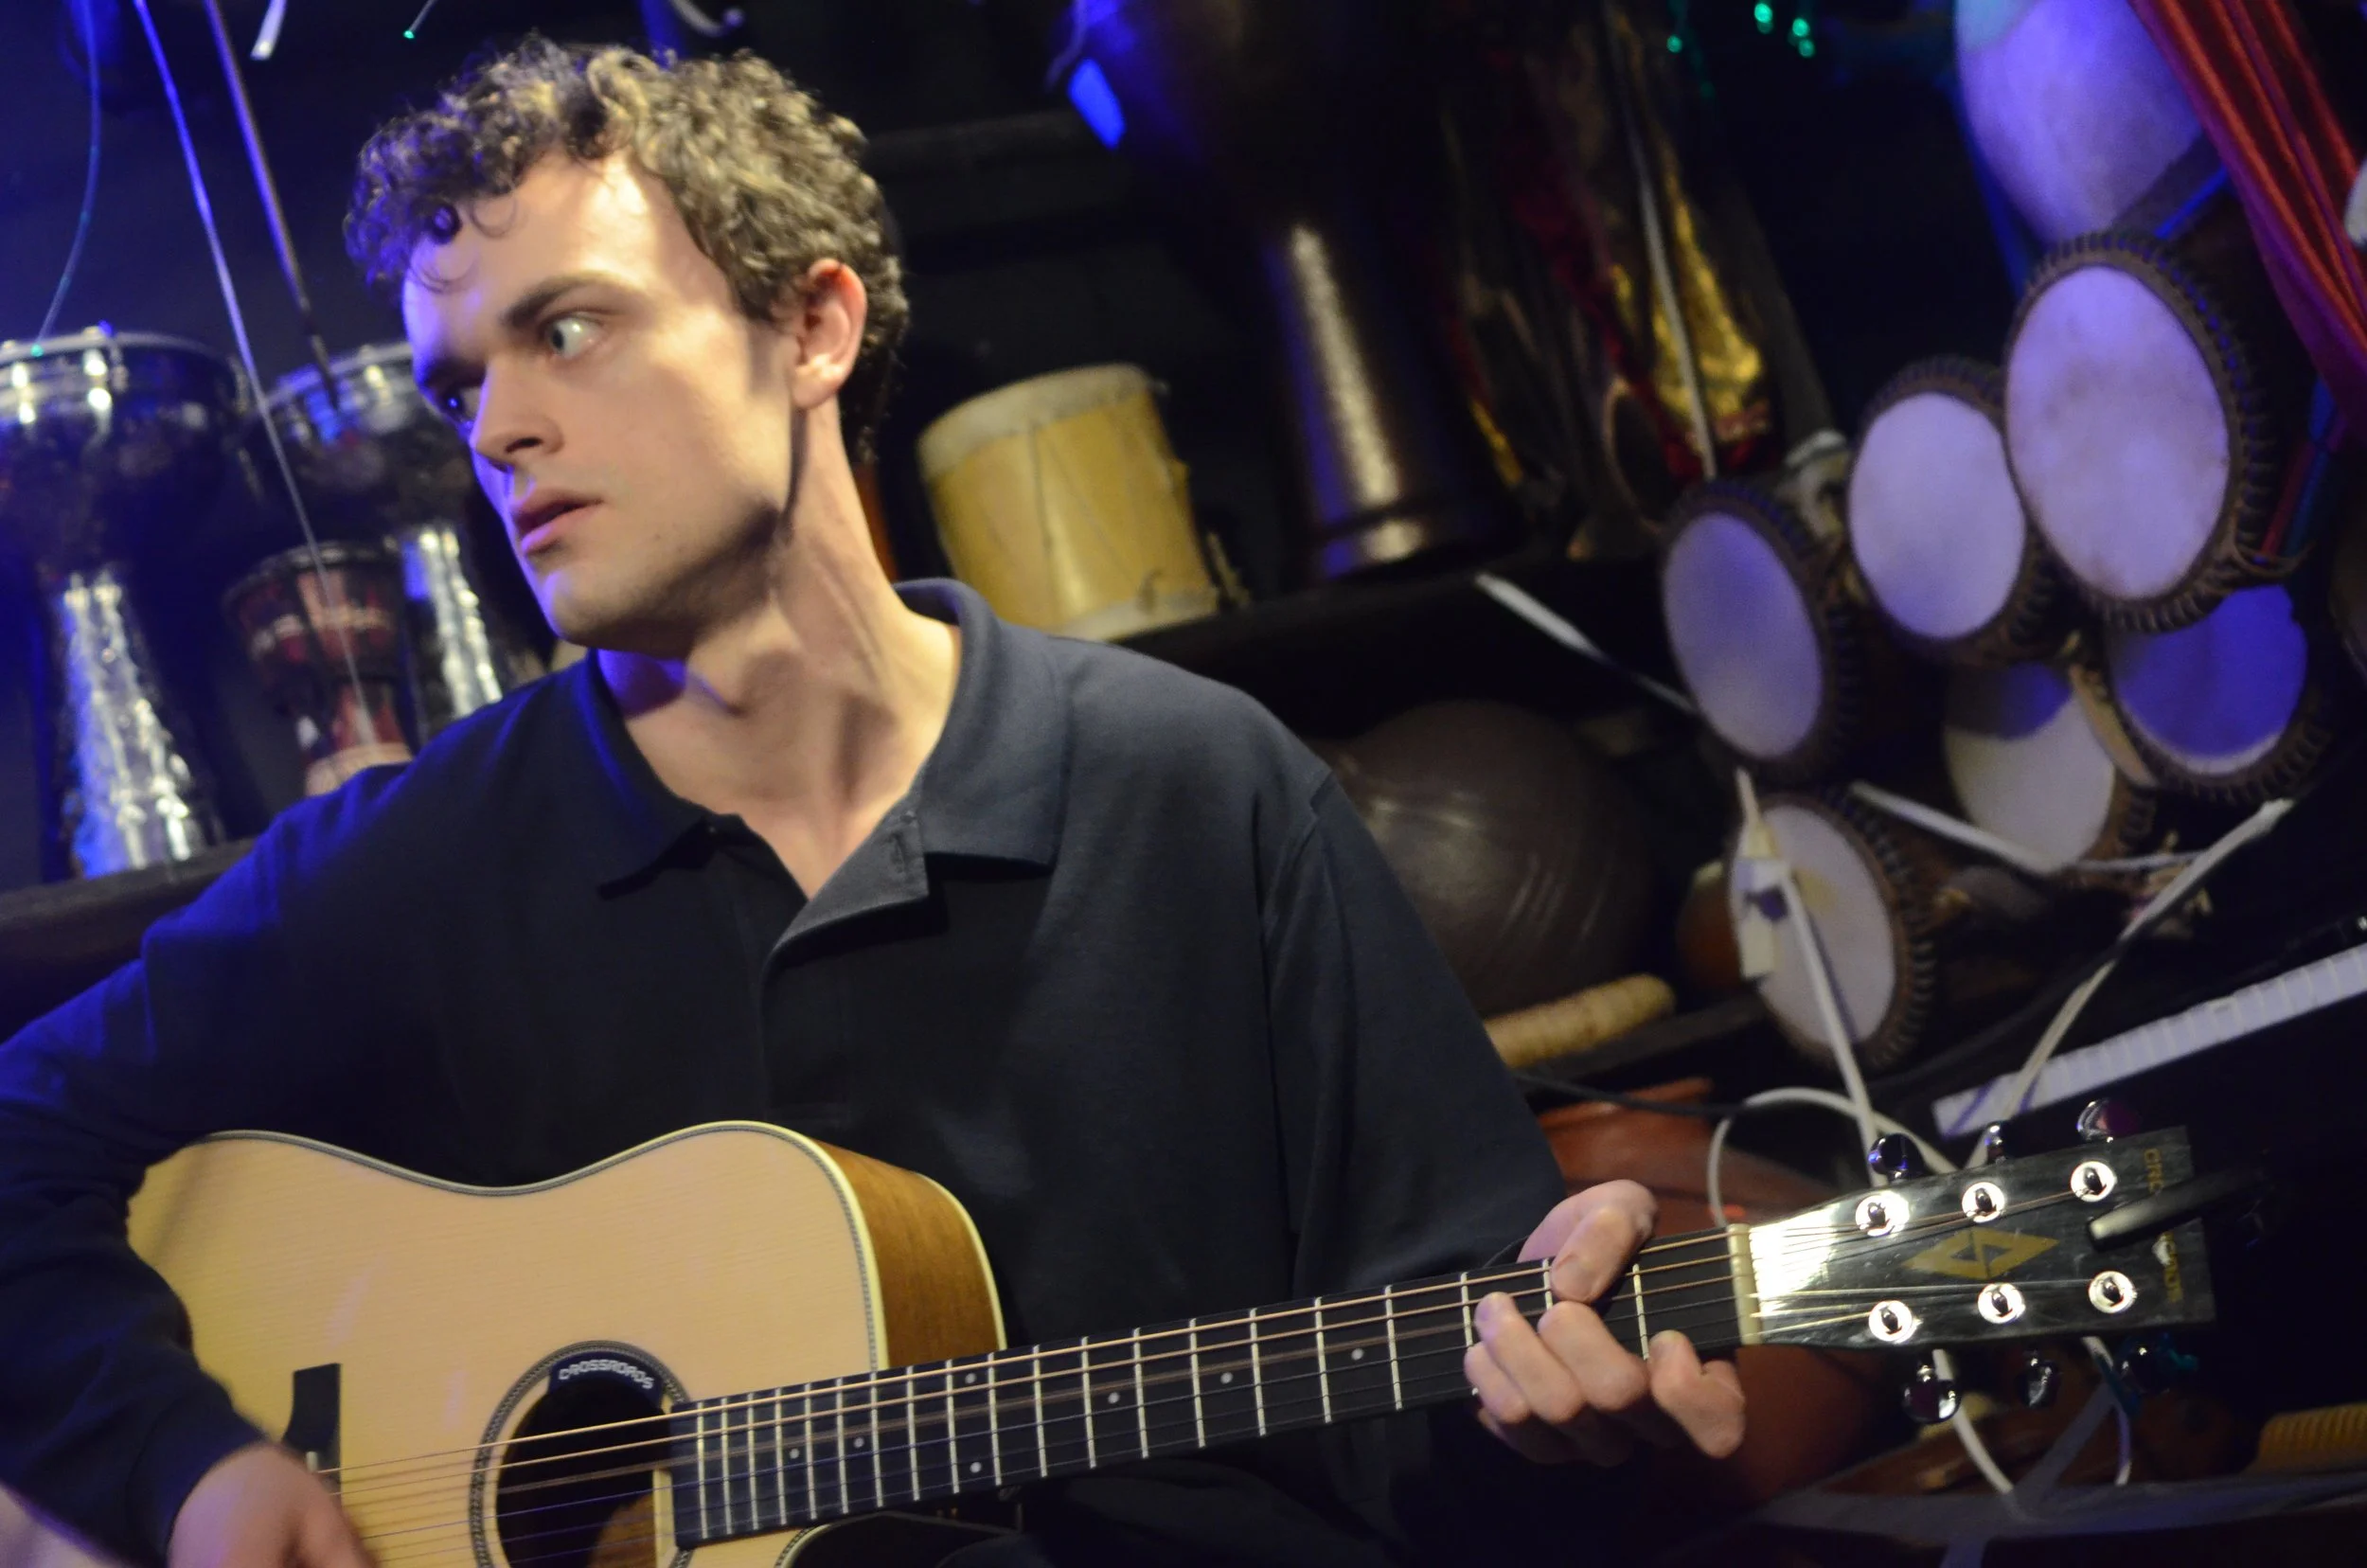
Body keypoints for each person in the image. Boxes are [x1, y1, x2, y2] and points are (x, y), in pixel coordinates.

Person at [0, 38, 1742, 1568]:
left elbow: (1463, 1402)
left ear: (812, 326)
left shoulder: (1200, 790)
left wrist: (1558, 1424)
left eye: (569, 330)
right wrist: (187, 1464)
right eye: (463, 384)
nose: (501, 430)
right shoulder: (417, 864)